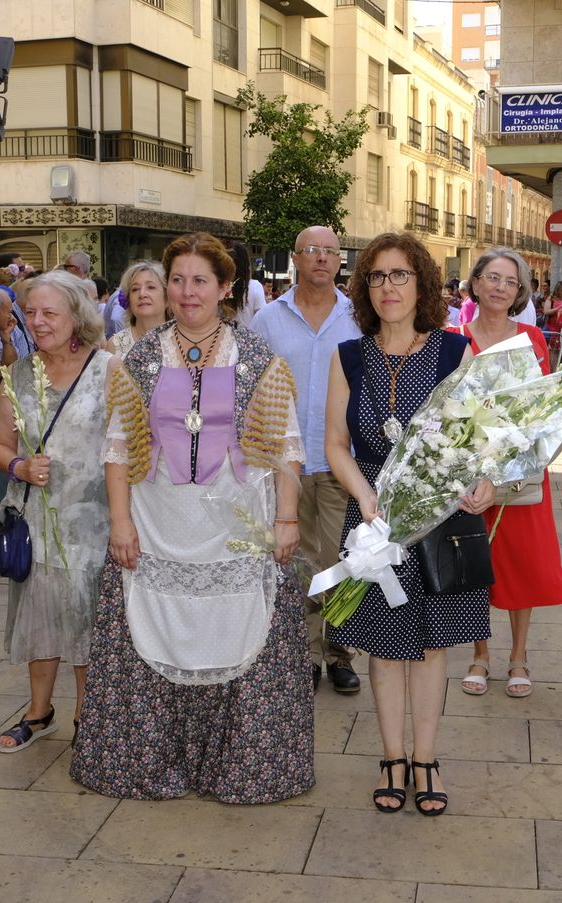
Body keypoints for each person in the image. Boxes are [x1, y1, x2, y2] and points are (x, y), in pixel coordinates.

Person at [73, 232, 313, 804]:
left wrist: (287, 519)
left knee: (236, 637)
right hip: (157, 526)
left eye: (200, 280)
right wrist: (121, 523)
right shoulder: (139, 356)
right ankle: (157, 764)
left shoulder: (256, 357)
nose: (186, 292)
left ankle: (236, 768)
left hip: (236, 531)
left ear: (226, 287)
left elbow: (288, 446)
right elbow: (116, 449)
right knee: (153, 634)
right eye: (177, 279)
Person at [325, 231, 496, 816]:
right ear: (364, 287)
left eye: (399, 275)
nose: (387, 287)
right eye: (376, 276)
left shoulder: (454, 351)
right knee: (384, 646)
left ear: (421, 283)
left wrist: (483, 481)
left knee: (427, 648)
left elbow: (480, 437)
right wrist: (367, 497)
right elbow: (336, 443)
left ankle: (426, 760)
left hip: (438, 521)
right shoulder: (348, 356)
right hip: (372, 520)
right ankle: (391, 759)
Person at [0, 272, 113, 752]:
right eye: (30, 313)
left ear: (76, 316)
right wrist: (18, 464)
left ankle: (88, 712)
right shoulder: (18, 373)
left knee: (86, 615)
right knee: (40, 612)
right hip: (37, 517)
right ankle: (39, 712)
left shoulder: (107, 369)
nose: (37, 322)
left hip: (94, 517)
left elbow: (130, 448)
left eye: (49, 313)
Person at [250, 226, 363, 695]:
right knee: (295, 564)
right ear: (294, 258)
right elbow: (251, 388)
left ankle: (339, 653)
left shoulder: (358, 317)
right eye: (311, 250)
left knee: (339, 561)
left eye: (330, 251)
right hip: (284, 465)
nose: (321, 258)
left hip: (342, 462)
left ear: (341, 260)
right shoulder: (268, 320)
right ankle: (304, 655)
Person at [453, 248, 562, 700]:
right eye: (493, 278)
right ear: (476, 283)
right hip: (469, 468)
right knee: (479, 563)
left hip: (520, 467)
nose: (501, 287)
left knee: (522, 562)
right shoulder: (453, 337)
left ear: (519, 292)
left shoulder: (533, 338)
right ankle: (480, 654)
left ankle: (519, 655)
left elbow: (543, 402)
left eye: (511, 282)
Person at [107, 262, 165, 356]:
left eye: (151, 287)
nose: (142, 294)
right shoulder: (116, 345)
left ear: (167, 297)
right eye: (135, 289)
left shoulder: (183, 341)